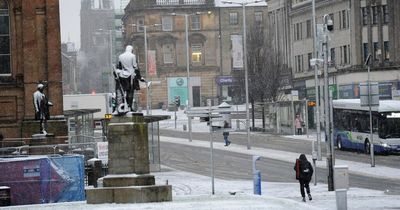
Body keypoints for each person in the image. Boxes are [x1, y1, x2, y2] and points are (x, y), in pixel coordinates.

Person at [114, 45, 144, 113]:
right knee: (130, 92)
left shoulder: (120, 56)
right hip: (130, 76)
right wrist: (139, 77)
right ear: (131, 50)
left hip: (122, 76)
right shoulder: (132, 56)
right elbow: (135, 66)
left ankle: (121, 106)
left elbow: (119, 66)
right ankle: (129, 106)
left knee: (121, 92)